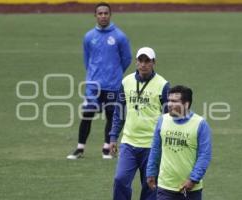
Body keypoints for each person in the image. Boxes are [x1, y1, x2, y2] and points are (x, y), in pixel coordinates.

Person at [67, 2, 132, 159]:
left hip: (112, 85)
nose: (103, 16)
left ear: (110, 15)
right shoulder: (89, 37)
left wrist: (115, 73)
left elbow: (127, 58)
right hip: (93, 85)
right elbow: (87, 59)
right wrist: (92, 75)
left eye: (106, 13)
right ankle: (80, 148)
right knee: (87, 114)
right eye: (100, 13)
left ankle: (106, 148)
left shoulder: (119, 36)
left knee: (111, 115)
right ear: (95, 15)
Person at [109, 47, 170, 200]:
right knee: (120, 179)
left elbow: (168, 116)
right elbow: (119, 112)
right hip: (129, 143)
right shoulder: (126, 82)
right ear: (136, 62)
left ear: (154, 63)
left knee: (150, 186)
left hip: (152, 145)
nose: (143, 64)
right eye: (140, 60)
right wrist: (113, 137)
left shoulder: (163, 85)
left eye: (147, 61)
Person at [146, 85, 212, 200]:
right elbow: (156, 148)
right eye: (169, 100)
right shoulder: (162, 120)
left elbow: (204, 155)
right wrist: (151, 172)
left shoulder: (200, 124)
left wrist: (193, 179)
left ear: (186, 104)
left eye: (174, 101)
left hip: (190, 188)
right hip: (165, 186)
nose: (169, 104)